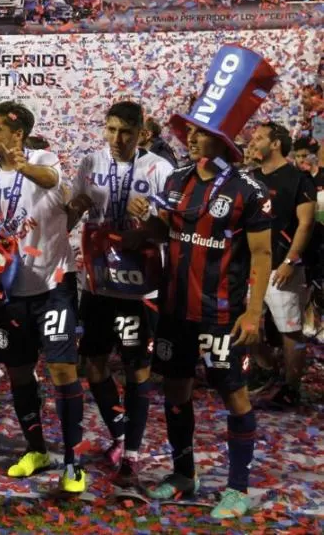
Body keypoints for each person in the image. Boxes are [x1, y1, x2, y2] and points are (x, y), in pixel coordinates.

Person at [126, 46, 275, 519]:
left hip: (222, 315)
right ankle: (184, 473)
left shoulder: (247, 190)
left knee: (233, 393)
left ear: (224, 138)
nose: (192, 136)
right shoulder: (176, 180)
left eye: (202, 132)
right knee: (175, 390)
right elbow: (165, 231)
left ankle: (237, 487)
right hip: (174, 310)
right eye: (190, 128)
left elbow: (262, 253)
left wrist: (253, 312)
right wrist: (144, 222)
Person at [0, 101, 88, 494]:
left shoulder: (45, 157)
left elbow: (47, 178)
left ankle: (74, 462)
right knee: (19, 373)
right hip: (10, 288)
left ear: (17, 134)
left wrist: (21, 164)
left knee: (62, 371)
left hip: (53, 283)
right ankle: (36, 449)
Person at [66, 101, 173, 487]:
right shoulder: (90, 163)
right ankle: (121, 431)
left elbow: (167, 232)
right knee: (92, 364)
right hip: (98, 281)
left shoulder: (160, 170)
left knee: (135, 367)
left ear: (142, 133)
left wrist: (148, 222)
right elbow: (76, 211)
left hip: (138, 286)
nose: (116, 139)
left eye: (125, 131)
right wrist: (70, 208)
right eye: (110, 129)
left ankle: (132, 453)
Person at [247, 122, 315, 407]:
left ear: (275, 144)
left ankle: (292, 387)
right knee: (244, 323)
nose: (253, 142)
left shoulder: (297, 179)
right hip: (251, 266)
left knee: (290, 329)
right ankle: (267, 366)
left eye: (259, 138)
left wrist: (290, 261)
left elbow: (306, 223)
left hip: (282, 267)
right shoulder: (250, 177)